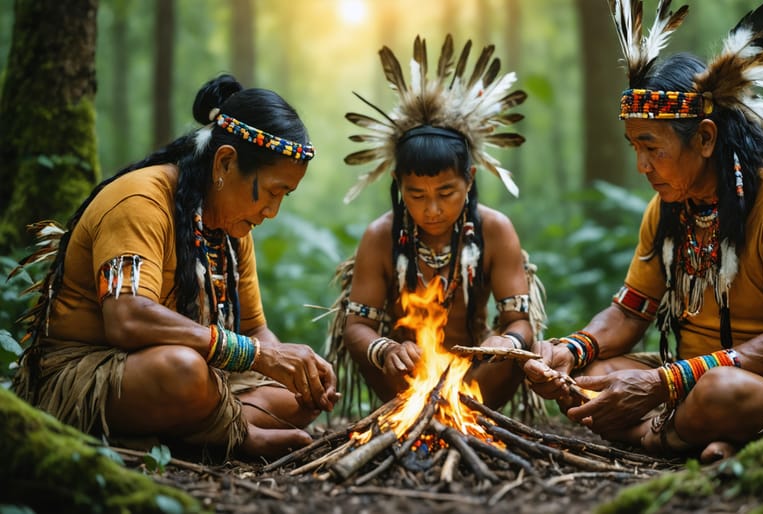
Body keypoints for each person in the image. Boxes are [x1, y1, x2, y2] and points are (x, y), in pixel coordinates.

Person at [524, 0, 763, 463]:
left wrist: (664, 383)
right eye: (634, 146)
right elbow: (629, 314)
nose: (641, 166)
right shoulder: (668, 208)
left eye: (652, 147)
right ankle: (702, 437)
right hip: (690, 380)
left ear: (705, 138)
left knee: (720, 392)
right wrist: (568, 351)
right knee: (591, 376)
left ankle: (658, 438)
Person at [12, 74, 340, 459]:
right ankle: (234, 436)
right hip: (90, 373)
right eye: (272, 192)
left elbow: (254, 330)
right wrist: (257, 355)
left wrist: (292, 364)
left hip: (199, 374)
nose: (272, 211)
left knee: (299, 399)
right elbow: (126, 319)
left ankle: (184, 434)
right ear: (226, 162)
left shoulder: (234, 228)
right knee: (182, 372)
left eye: (285, 195)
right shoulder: (140, 200)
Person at [328, 35, 545, 411]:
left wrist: (506, 343)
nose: (431, 209)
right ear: (398, 184)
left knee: (517, 357)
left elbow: (520, 322)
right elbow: (355, 328)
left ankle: (465, 417)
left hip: (478, 381)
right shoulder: (380, 237)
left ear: (471, 179)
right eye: (416, 194)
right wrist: (387, 349)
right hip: (405, 381)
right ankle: (416, 414)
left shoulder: (495, 231)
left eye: (445, 193)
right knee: (380, 356)